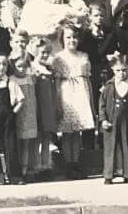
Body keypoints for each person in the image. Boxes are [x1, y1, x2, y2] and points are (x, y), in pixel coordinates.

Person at [53, 24, 95, 179]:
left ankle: (76, 163)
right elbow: (57, 82)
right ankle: (68, 164)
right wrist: (57, 102)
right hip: (66, 93)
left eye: (74, 37)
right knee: (67, 131)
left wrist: (90, 101)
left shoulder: (83, 56)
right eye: (68, 37)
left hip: (81, 93)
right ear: (62, 39)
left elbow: (88, 79)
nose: (72, 40)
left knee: (77, 131)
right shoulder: (58, 57)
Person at [99, 53, 128, 184]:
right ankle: (109, 175)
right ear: (113, 70)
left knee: (127, 146)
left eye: (124, 70)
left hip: (127, 121)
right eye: (118, 70)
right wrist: (103, 120)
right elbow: (101, 104)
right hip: (111, 122)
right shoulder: (108, 86)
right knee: (111, 147)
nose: (121, 73)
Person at [0, 52, 25, 184]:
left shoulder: (11, 82)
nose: (1, 67)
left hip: (8, 118)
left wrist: (13, 112)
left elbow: (21, 100)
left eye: (4, 64)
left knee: (11, 145)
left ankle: (14, 176)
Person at [31, 39, 58, 180]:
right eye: (42, 52)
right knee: (37, 138)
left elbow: (54, 91)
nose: (45, 55)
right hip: (37, 106)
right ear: (36, 52)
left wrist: (55, 107)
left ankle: (47, 165)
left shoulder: (49, 69)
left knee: (47, 136)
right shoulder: (32, 68)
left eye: (48, 52)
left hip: (48, 106)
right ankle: (37, 166)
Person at [10, 55, 38, 180]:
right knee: (16, 143)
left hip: (29, 114)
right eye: (18, 66)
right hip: (16, 113)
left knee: (26, 143)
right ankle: (16, 169)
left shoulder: (30, 78)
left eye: (24, 67)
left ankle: (25, 169)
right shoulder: (11, 80)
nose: (21, 69)